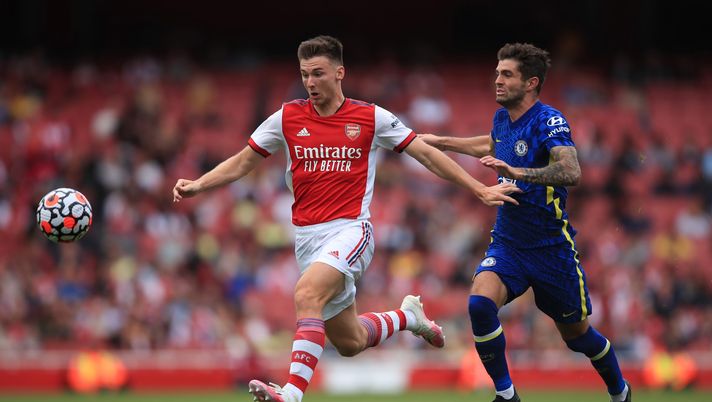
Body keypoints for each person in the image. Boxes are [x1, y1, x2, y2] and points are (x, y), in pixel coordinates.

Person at [172, 35, 520, 402]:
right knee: (350, 341)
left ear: (340, 73)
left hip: (352, 231)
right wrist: (198, 184)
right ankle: (408, 317)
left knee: (306, 293)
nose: (310, 83)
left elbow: (425, 154)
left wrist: (478, 189)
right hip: (307, 239)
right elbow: (243, 161)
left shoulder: (371, 117)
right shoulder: (287, 117)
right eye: (305, 74)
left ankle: (291, 394)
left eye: (318, 74)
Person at [420, 43, 631, 402]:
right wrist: (442, 142)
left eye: (507, 74)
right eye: (497, 73)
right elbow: (490, 144)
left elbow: (571, 170)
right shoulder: (502, 119)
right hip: (509, 242)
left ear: (531, 82)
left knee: (579, 337)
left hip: (551, 248)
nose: (497, 80)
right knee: (479, 304)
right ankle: (507, 395)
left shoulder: (549, 120)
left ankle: (620, 392)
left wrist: (518, 172)